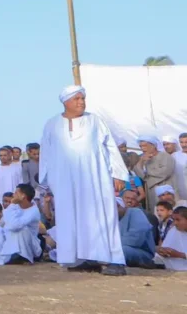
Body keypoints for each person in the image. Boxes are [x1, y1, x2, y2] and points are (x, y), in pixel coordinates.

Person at [38, 85, 129, 276]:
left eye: (83, 98)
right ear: (65, 102)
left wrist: (118, 173)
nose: (81, 102)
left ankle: (115, 260)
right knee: (72, 217)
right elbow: (46, 153)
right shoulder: (52, 124)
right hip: (64, 180)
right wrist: (46, 182)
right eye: (76, 99)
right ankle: (85, 257)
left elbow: (110, 147)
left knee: (103, 216)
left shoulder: (95, 121)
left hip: (95, 178)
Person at [0, 183, 42, 265]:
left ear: (23, 196)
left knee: (22, 229)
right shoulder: (16, 206)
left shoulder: (33, 211)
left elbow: (14, 226)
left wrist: (12, 204)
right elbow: (6, 224)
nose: (14, 195)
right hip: (8, 238)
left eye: (16, 193)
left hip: (27, 244)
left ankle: (21, 257)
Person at [136, 136, 175, 216]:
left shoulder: (165, 156)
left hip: (164, 190)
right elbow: (140, 175)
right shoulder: (143, 158)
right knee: (155, 213)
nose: (142, 148)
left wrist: (147, 173)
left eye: (144, 146)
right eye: (141, 146)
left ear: (153, 145)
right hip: (151, 192)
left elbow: (165, 172)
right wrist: (141, 161)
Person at [116, 196, 157, 268]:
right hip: (123, 249)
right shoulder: (114, 219)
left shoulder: (136, 212)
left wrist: (113, 245)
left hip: (143, 252)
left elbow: (136, 240)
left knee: (120, 251)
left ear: (119, 206)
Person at [155, 206, 187, 271]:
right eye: (174, 220)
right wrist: (162, 251)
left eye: (178, 220)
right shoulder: (174, 230)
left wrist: (179, 255)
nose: (175, 223)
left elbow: (178, 254)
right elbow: (165, 248)